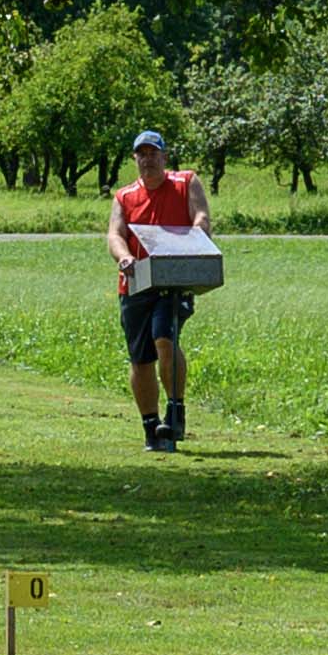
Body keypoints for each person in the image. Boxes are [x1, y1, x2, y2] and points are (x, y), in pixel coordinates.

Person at [103, 128, 206, 451]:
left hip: (174, 279)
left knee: (164, 337)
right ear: (135, 158)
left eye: (153, 153)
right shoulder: (125, 196)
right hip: (135, 282)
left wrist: (195, 239)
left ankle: (176, 410)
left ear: (165, 156)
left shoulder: (186, 182)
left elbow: (201, 215)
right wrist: (124, 257)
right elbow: (115, 235)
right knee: (140, 358)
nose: (148, 159)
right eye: (142, 154)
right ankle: (151, 428)